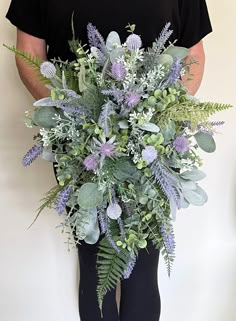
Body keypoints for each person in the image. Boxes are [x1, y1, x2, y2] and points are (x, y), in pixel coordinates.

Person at [6, 1, 212, 321]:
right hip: (80, 142)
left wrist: (163, 114)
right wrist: (71, 113)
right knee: (95, 260)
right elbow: (29, 50)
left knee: (143, 260)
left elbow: (193, 54)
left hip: (151, 142)